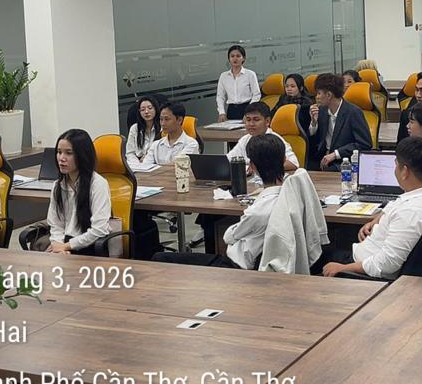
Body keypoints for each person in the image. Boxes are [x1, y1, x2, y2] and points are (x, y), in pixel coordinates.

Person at [156, 134, 287, 270]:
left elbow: (228, 237)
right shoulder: (289, 197)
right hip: (262, 262)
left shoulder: (257, 212)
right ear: (284, 160)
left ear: (252, 167)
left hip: (237, 267)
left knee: (160, 258)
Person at [323, 137, 422, 279]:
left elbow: (386, 265)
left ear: (405, 171)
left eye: (395, 165)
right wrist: (376, 220)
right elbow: (398, 203)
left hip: (359, 267)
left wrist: (342, 268)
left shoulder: (410, 212)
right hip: (368, 250)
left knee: (314, 252)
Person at [44, 128, 114, 255]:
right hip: (64, 245)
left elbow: (99, 230)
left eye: (69, 153)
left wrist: (67, 246)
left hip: (89, 246)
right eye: (59, 152)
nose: (61, 158)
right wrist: (58, 245)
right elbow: (55, 224)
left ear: (82, 155)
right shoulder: (58, 185)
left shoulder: (97, 184)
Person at [307, 73, 373, 170]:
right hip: (322, 158)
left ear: (329, 95)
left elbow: (364, 144)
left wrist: (335, 154)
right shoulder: (322, 110)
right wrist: (313, 122)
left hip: (343, 161)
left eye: (319, 93)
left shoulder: (353, 112)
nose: (317, 97)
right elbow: (316, 143)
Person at [228, 102, 298, 172]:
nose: (251, 124)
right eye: (248, 120)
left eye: (256, 120)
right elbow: (228, 160)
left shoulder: (275, 139)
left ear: (267, 121)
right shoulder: (245, 139)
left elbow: (293, 163)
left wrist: (262, 168)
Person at [216, 44, 260, 121]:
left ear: (243, 58)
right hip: (231, 110)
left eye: (238, 56)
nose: (235, 58)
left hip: (247, 108)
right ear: (229, 59)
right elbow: (220, 96)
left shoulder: (250, 74)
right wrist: (221, 112)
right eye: (232, 56)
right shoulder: (224, 76)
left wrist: (249, 112)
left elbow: (256, 95)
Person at [125, 94, 161, 162]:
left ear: (155, 109)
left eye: (150, 108)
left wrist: (147, 159)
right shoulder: (134, 128)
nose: (146, 112)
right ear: (139, 112)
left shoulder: (162, 127)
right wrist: (138, 164)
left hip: (156, 163)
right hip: (138, 163)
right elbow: (130, 153)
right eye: (143, 109)